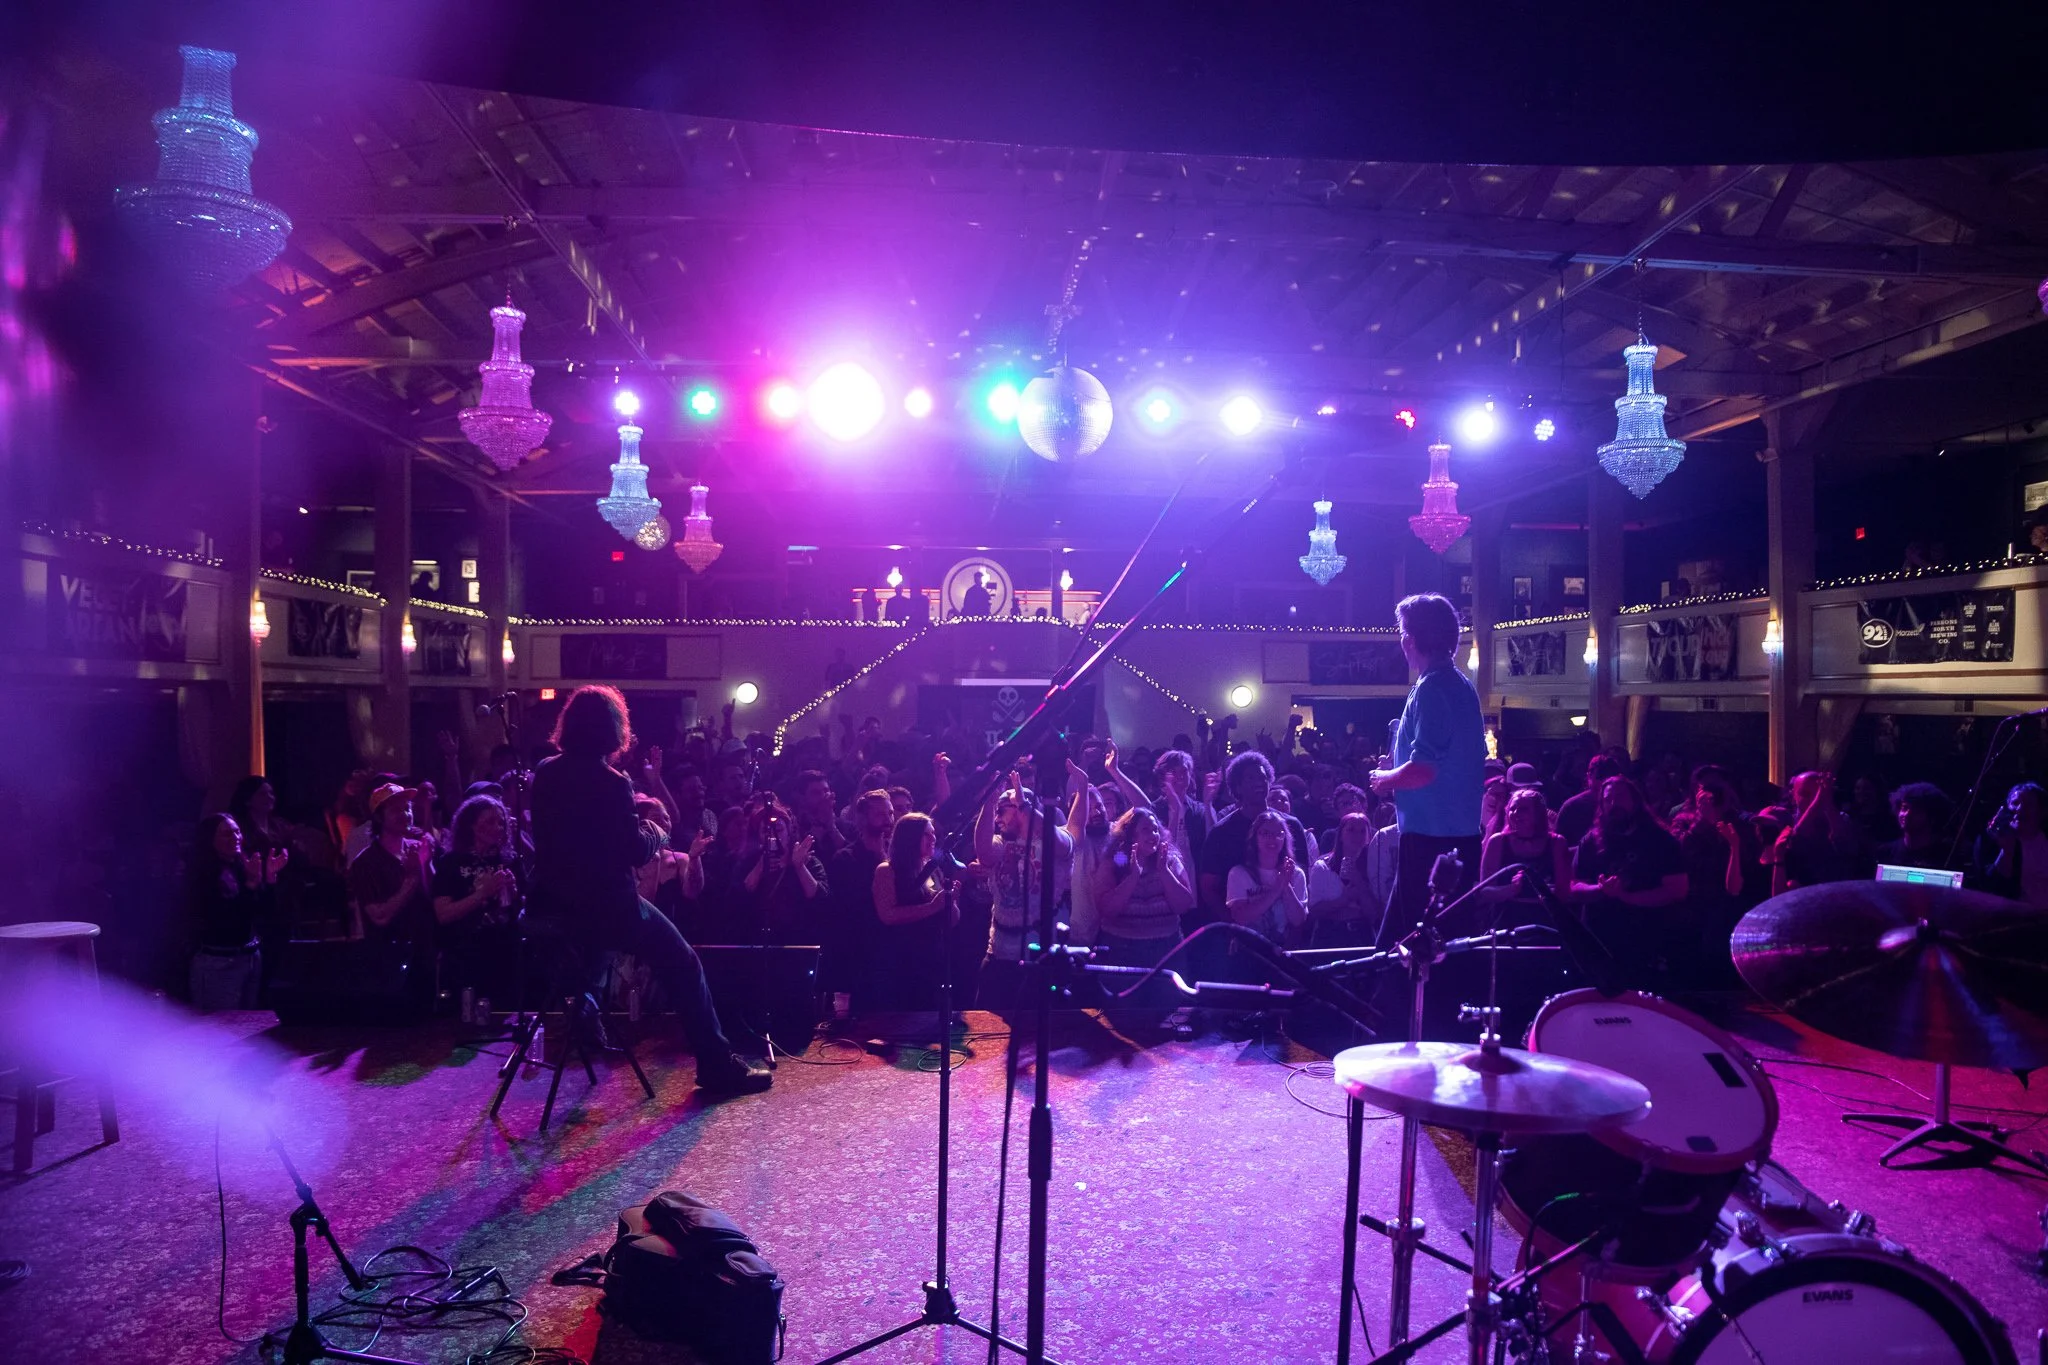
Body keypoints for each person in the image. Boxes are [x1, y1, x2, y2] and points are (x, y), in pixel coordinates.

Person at [528, 685, 769, 1094]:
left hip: (552, 906)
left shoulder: (546, 772)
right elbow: (634, 851)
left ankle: (585, 1022)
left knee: (591, 957)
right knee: (685, 963)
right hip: (608, 907)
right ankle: (716, 1065)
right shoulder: (611, 782)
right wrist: (656, 830)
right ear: (614, 728)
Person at [1371, 594, 1486, 941]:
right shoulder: (1460, 684)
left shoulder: (1432, 688)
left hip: (1430, 844)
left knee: (1415, 950)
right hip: (1457, 838)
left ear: (1409, 640)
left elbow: (1423, 770)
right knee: (1412, 948)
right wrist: (1397, 769)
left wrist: (1384, 779)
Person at [1569, 776, 1687, 986]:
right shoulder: (1590, 841)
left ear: (1636, 800)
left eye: (1620, 797)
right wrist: (1600, 889)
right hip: (1600, 943)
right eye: (1608, 800)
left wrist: (1627, 897)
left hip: (1647, 942)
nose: (1614, 804)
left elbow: (1678, 889)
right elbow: (1574, 886)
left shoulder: (1661, 840)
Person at [972, 775, 1072, 1012]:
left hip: (1039, 956)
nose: (997, 819)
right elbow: (984, 852)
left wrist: (1024, 804)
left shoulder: (1054, 840)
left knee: (1032, 1027)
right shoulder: (1002, 842)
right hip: (998, 953)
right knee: (987, 1023)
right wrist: (989, 801)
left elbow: (1061, 844)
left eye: (1002, 811)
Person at [430, 793, 523, 1001]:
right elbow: (443, 914)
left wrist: (514, 892)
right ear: (471, 826)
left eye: (501, 822)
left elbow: (521, 909)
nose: (498, 828)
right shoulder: (451, 863)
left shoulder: (509, 860)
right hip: (465, 955)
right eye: (490, 822)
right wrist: (482, 893)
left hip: (504, 953)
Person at [187, 814, 281, 1010]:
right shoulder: (204, 874)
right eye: (227, 834)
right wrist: (250, 885)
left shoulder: (242, 866)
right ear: (210, 840)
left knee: (246, 1022)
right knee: (222, 1025)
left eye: (237, 832)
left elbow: (263, 912)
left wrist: (269, 879)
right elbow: (225, 919)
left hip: (250, 957)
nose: (236, 838)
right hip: (220, 962)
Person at [872, 811, 957, 1008]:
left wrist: (951, 902)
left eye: (934, 833)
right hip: (901, 961)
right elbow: (887, 915)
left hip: (931, 959)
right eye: (926, 834)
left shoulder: (933, 869)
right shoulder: (886, 870)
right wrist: (932, 907)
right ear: (909, 838)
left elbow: (951, 921)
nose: (933, 839)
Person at [829, 790, 895, 1012]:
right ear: (863, 818)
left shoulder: (897, 857)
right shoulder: (846, 859)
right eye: (880, 814)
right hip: (861, 954)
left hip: (893, 950)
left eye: (890, 813)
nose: (888, 820)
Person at [348, 783, 435, 947]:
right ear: (379, 817)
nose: (405, 814)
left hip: (424, 946)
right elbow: (380, 917)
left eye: (407, 808)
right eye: (396, 810)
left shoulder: (417, 848)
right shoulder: (365, 862)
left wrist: (427, 862)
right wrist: (411, 878)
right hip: (388, 951)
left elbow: (434, 897)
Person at [1477, 787, 1571, 917]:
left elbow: (1564, 893)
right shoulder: (1498, 842)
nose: (1515, 813)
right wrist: (1512, 889)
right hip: (1507, 918)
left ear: (1538, 814)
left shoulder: (1557, 843)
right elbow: (1485, 890)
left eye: (1523, 809)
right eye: (1512, 809)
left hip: (1547, 919)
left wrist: (1538, 886)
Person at [1225, 810, 1309, 949]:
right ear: (1255, 837)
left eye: (1278, 834)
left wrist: (1286, 885)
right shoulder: (1239, 873)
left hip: (1283, 950)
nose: (1272, 838)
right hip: (1249, 949)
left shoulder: (1296, 874)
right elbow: (1240, 916)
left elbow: (1298, 920)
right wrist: (1277, 889)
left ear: (1285, 838)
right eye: (1265, 833)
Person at [1307, 812, 1380, 948]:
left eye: (1362, 831)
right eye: (1351, 830)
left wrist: (1359, 883)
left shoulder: (1374, 868)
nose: (1357, 835)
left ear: (1368, 837)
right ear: (1340, 834)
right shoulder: (1322, 867)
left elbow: (1374, 914)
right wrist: (1344, 900)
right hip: (1329, 937)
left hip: (1363, 937)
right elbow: (1315, 911)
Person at [1986, 782, 2048, 907]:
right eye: (2015, 803)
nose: (2020, 809)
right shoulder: (1991, 841)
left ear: (2041, 812)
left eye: (2028, 804)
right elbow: (1991, 888)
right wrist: (2007, 850)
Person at [1877, 782, 1954, 871]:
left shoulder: (1949, 855)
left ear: (1932, 816)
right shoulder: (1886, 852)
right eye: (1904, 808)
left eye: (1916, 810)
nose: (1907, 814)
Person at [1554, 754, 1619, 852]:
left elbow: (1558, 847)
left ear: (1589, 775)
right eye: (1601, 776)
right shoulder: (1625, 802)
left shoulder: (1571, 806)